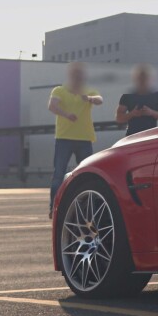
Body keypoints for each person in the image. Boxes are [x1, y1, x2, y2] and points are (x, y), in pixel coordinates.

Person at [48, 62, 102, 216]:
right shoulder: (60, 90)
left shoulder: (88, 91)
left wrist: (89, 98)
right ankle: (54, 208)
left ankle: (89, 208)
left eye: (80, 75)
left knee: (88, 175)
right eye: (75, 74)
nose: (78, 77)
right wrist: (66, 115)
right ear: (70, 76)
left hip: (84, 139)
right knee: (59, 174)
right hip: (64, 138)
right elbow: (52, 106)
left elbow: (100, 99)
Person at [116, 64, 158, 136]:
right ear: (135, 79)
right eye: (140, 78)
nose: (142, 81)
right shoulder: (127, 96)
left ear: (151, 79)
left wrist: (151, 112)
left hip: (151, 137)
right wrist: (132, 114)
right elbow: (119, 118)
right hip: (132, 137)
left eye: (145, 78)